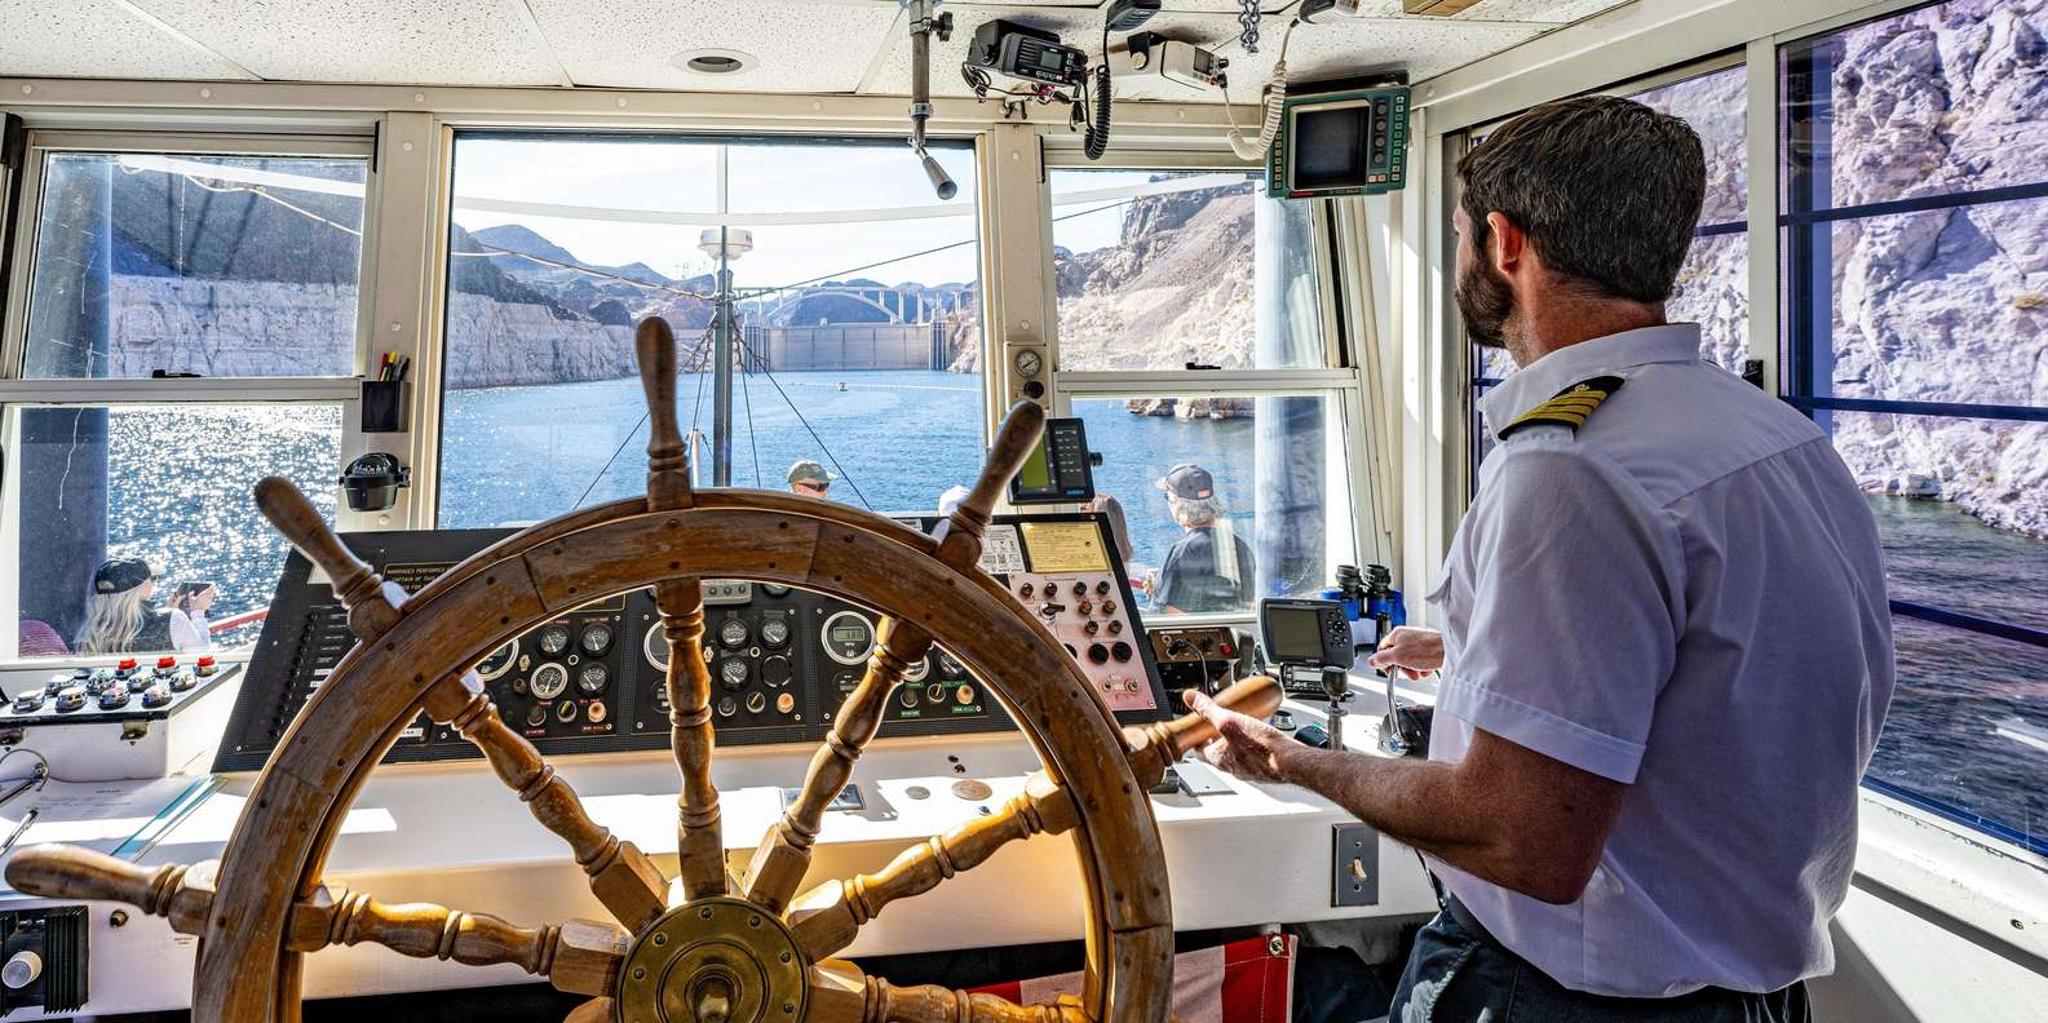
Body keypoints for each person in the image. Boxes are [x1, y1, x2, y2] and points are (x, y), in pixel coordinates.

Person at [1187, 95, 1891, 1022]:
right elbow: (1726, 676)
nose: (1459, 261)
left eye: (1460, 236)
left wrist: (1292, 760)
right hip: (1757, 997)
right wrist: (1479, 654)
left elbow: (1524, 843)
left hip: (1562, 998)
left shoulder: (1574, 467)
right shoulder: (1778, 438)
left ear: (1506, 245)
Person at [1149, 464, 1254, 614]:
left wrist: (1160, 589)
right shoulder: (1238, 546)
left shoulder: (1183, 552)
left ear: (1176, 504)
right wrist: (1160, 581)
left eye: (1167, 497)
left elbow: (1171, 616)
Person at [75, 557, 176, 655]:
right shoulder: (171, 619)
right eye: (153, 579)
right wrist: (179, 615)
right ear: (139, 588)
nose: (154, 583)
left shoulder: (89, 632)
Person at [166, 581, 218, 652]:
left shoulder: (151, 618)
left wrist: (169, 612)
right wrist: (198, 611)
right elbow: (203, 652)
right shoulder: (178, 618)